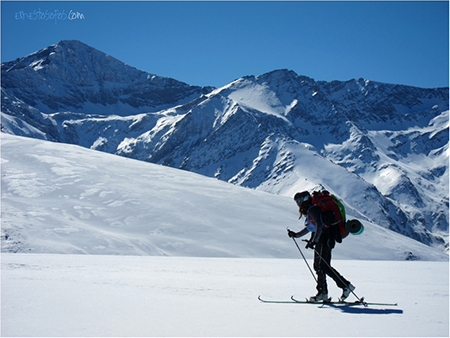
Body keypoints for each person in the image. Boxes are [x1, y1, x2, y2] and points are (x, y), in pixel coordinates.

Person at [288, 190, 355, 302]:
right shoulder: (312, 209)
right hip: (326, 238)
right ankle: (345, 286)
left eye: (298, 201)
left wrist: (314, 240)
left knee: (319, 266)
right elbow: (310, 228)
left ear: (303, 200)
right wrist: (296, 235)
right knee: (324, 266)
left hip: (324, 238)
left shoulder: (313, 210)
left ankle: (323, 293)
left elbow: (318, 225)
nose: (297, 204)